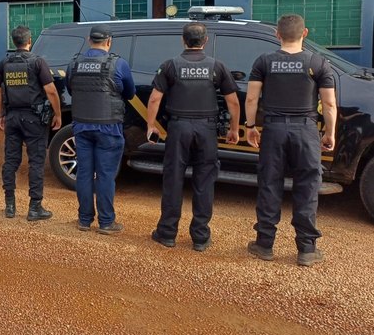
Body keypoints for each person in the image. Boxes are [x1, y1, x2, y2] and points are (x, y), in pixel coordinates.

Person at [245, 14, 337, 267]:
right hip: (306, 132)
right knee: (307, 187)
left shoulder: (264, 61)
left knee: (269, 184)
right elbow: (329, 103)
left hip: (273, 131)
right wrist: (330, 133)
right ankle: (306, 249)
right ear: (304, 33)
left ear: (277, 34)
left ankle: (264, 244)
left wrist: (250, 126)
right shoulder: (318, 62)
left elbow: (252, 99)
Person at [146, 22, 240, 251]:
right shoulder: (216, 66)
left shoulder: (170, 65)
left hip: (178, 129)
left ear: (183, 40)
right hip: (206, 131)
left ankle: (167, 233)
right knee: (204, 182)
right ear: (205, 40)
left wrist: (151, 125)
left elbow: (155, 99)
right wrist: (234, 129)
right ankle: (200, 237)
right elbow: (233, 101)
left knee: (173, 180)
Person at [66, 24, 135, 233]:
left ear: (89, 40)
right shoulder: (118, 64)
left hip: (81, 125)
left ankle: (84, 220)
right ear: (109, 41)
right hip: (108, 127)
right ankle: (106, 222)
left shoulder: (74, 64)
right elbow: (129, 92)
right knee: (105, 175)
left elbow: (71, 89)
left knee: (84, 173)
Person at [0, 26, 62, 221]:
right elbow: (50, 90)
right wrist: (57, 114)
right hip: (34, 119)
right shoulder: (37, 62)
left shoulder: (4, 62)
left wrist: (1, 115)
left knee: (11, 161)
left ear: (14, 41)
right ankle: (34, 207)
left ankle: (9, 206)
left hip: (13, 118)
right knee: (36, 162)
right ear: (29, 41)